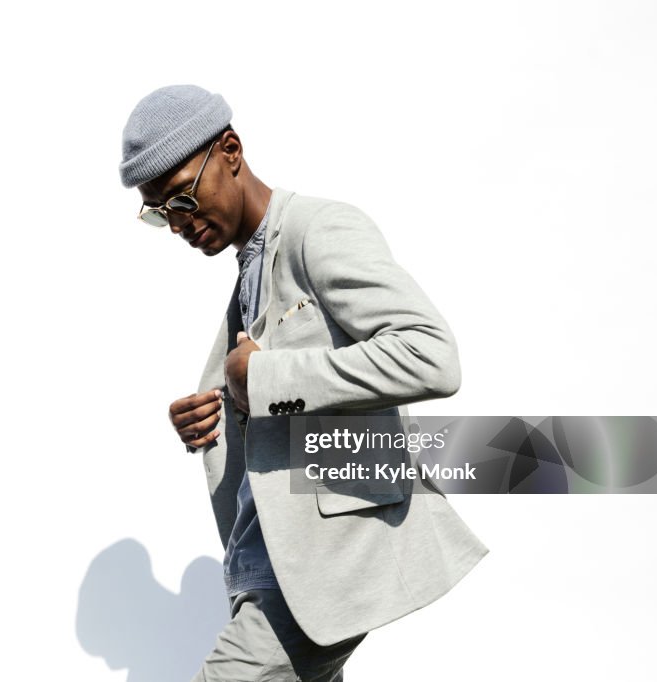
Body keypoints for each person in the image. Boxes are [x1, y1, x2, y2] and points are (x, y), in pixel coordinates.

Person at [119, 84, 488, 682]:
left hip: (323, 565)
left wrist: (261, 377)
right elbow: (278, 395)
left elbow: (430, 356)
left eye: (182, 197)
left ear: (231, 150)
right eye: (159, 212)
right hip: (266, 561)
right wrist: (217, 411)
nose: (177, 223)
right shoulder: (250, 270)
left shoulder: (320, 229)